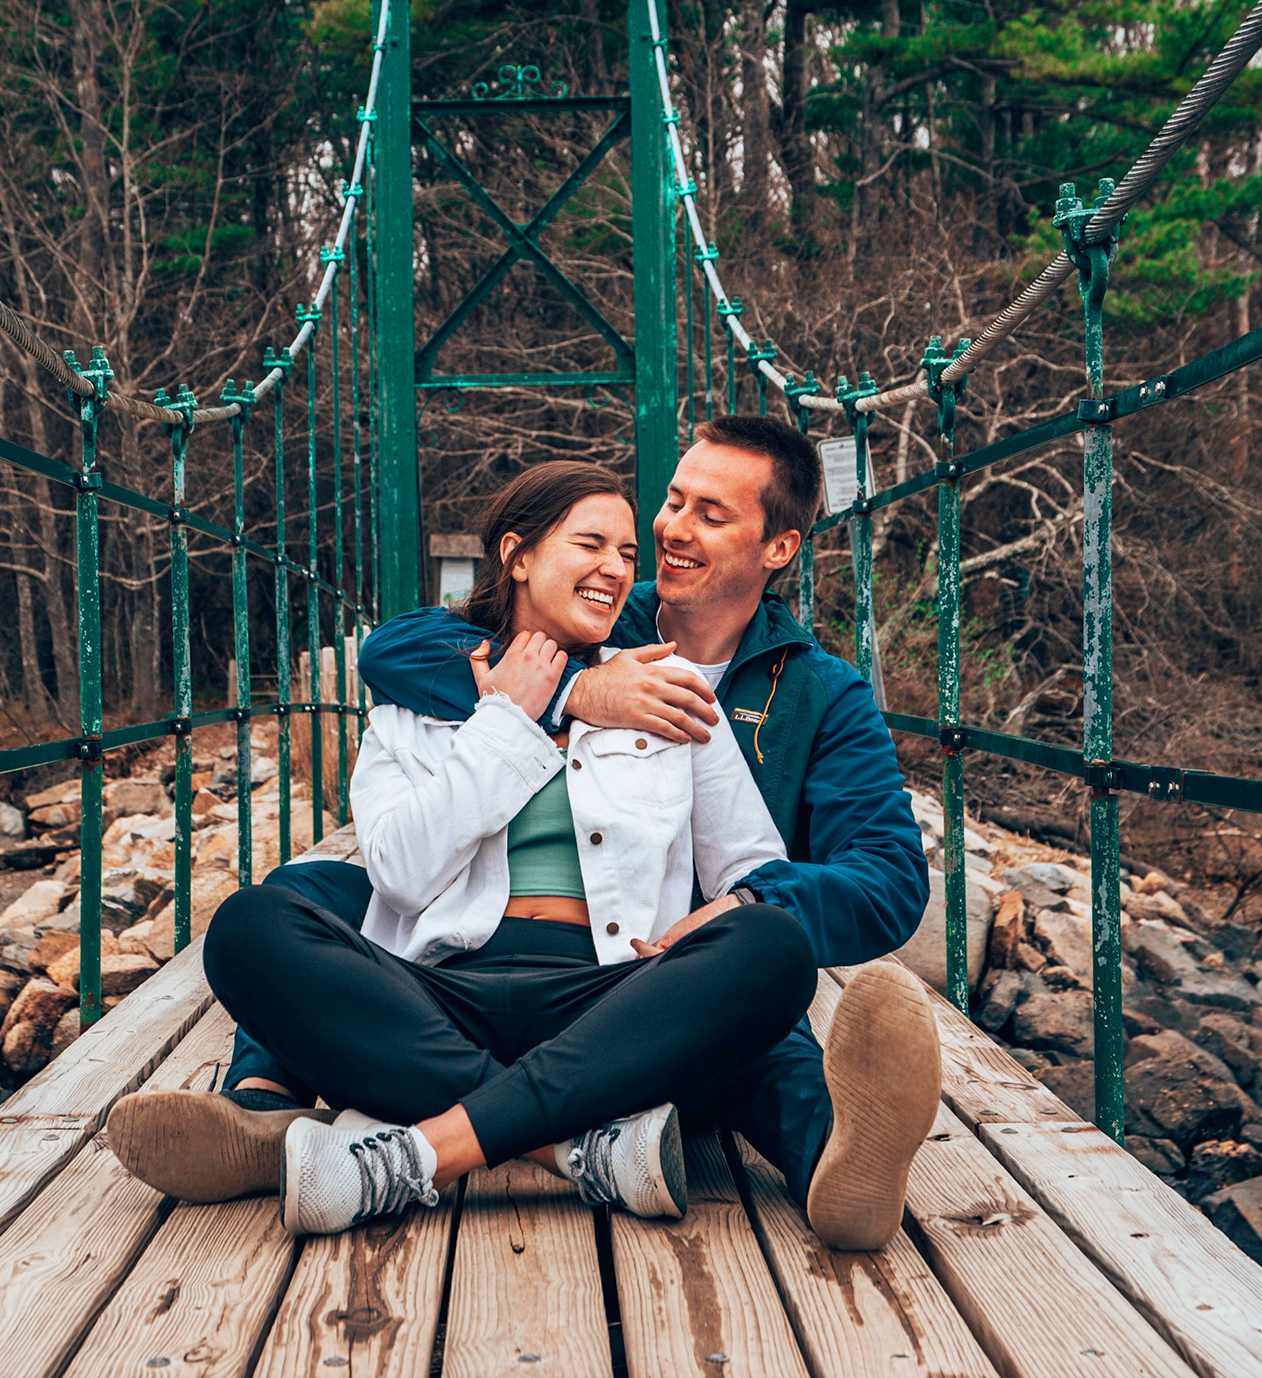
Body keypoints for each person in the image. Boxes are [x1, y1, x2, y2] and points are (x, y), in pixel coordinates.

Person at [175, 412, 943, 1249]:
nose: (657, 541)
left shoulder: (815, 693)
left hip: (644, 966)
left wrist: (753, 900)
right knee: (271, 911)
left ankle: (830, 1158)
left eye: (710, 516)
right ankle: (563, 1147)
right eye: (671, 504)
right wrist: (568, 695)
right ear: (521, 554)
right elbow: (402, 652)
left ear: (778, 549)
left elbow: (888, 878)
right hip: (466, 960)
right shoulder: (602, 630)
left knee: (768, 957)